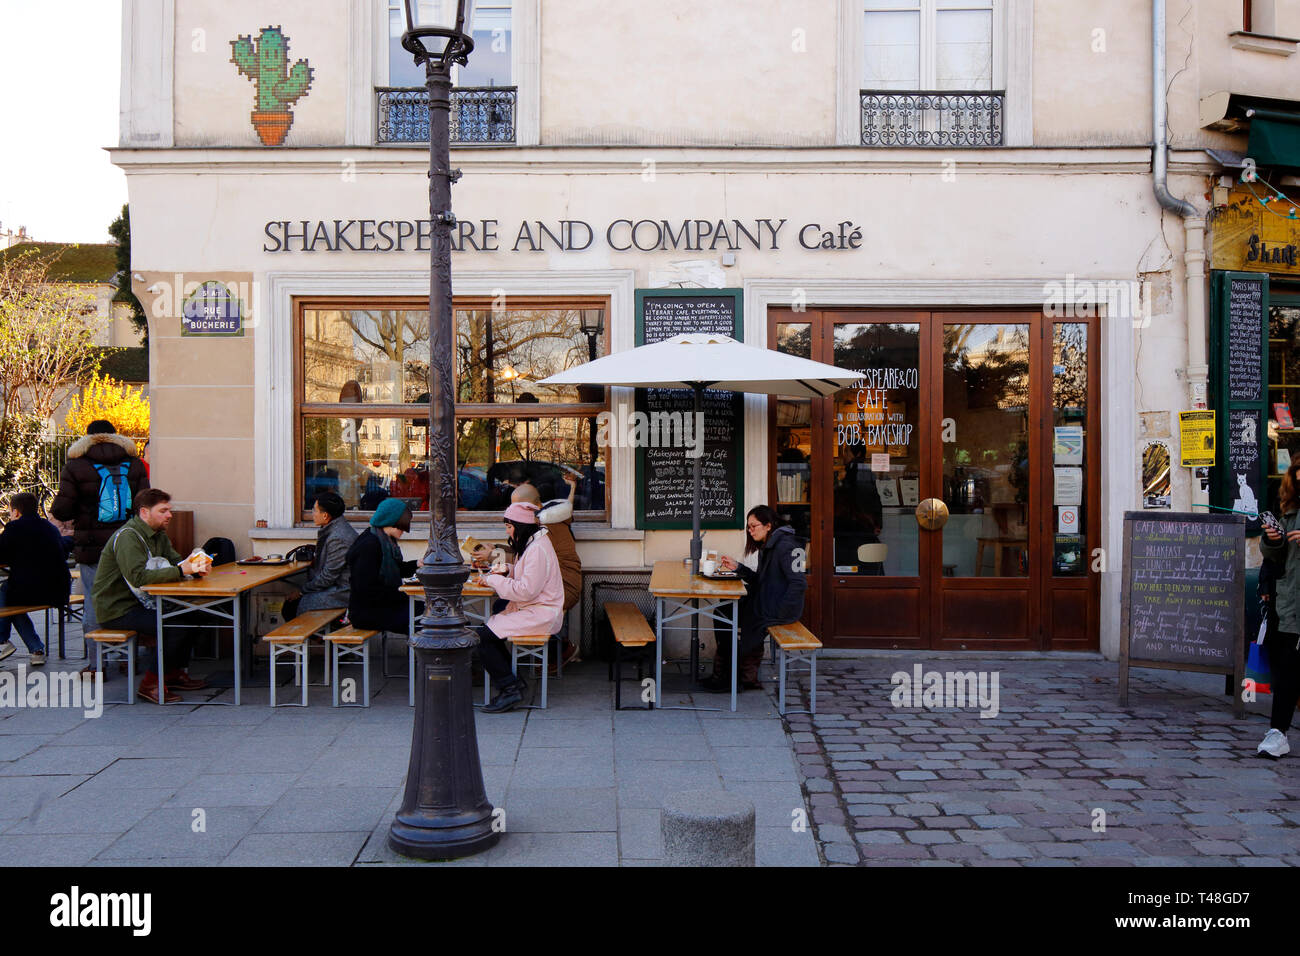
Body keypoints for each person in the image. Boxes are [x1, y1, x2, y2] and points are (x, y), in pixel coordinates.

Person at [50, 419, 149, 678]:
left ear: (88, 438)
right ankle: (128, 660)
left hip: (92, 549)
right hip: (127, 545)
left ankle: (97, 666)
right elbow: (144, 505)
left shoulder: (76, 466)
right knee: (130, 600)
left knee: (94, 603)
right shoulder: (134, 464)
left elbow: (61, 510)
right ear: (115, 436)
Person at [91, 489, 210, 704]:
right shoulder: (128, 537)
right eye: (163, 511)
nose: (169, 515)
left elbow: (175, 562)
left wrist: (195, 566)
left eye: (169, 510)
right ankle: (150, 684)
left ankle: (172, 673)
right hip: (118, 608)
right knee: (173, 625)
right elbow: (138, 577)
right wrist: (183, 571)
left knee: (195, 616)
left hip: (143, 603)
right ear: (144, 512)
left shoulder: (158, 535)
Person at [471, 501, 565, 713]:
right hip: (536, 609)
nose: (507, 531)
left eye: (508, 526)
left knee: (484, 637)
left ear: (520, 526)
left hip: (542, 613)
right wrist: (506, 569)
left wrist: (493, 580)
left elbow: (526, 590)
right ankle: (512, 683)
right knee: (489, 633)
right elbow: (527, 576)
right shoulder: (534, 543)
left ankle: (510, 688)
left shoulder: (537, 548)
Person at [703, 504, 808, 692]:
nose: (750, 531)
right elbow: (761, 581)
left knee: (746, 624)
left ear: (769, 525)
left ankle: (734, 679)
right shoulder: (768, 546)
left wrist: (779, 612)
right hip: (765, 602)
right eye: (748, 527)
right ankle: (729, 675)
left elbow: (798, 583)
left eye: (754, 526)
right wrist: (739, 568)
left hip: (778, 609)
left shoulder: (787, 545)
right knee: (723, 611)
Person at [489, 476, 583, 667]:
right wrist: (495, 550)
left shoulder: (545, 525)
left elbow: (529, 560)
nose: (516, 513)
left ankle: (561, 650)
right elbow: (522, 556)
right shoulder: (543, 519)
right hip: (555, 584)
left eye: (520, 507)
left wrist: (493, 554)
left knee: (502, 608)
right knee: (502, 607)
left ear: (537, 505)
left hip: (562, 588)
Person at [1258, 464, 1300, 757]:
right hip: (1291, 601)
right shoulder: (1289, 512)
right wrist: (1273, 541)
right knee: (1287, 670)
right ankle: (1278, 733)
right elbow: (1277, 558)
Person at [0, 493, 70, 666]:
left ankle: (2, 642)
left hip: (31, 591)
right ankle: (36, 649)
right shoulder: (49, 527)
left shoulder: (14, 529)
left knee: (5, 595)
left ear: (16, 512)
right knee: (12, 603)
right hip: (58, 590)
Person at [345, 498, 418, 635]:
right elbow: (366, 588)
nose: (405, 531)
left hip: (381, 606)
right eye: (403, 525)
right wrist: (402, 594)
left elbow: (397, 569)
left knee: (430, 613)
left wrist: (417, 564)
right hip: (368, 612)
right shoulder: (370, 545)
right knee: (426, 618)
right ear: (392, 521)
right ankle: (422, 655)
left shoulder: (384, 541)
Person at [281, 492, 357, 621]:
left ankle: (317, 639)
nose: (312, 513)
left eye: (314, 510)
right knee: (292, 604)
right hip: (338, 587)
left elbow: (327, 577)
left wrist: (302, 591)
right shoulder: (337, 528)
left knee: (291, 607)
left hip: (342, 592)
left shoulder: (338, 537)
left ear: (325, 516)